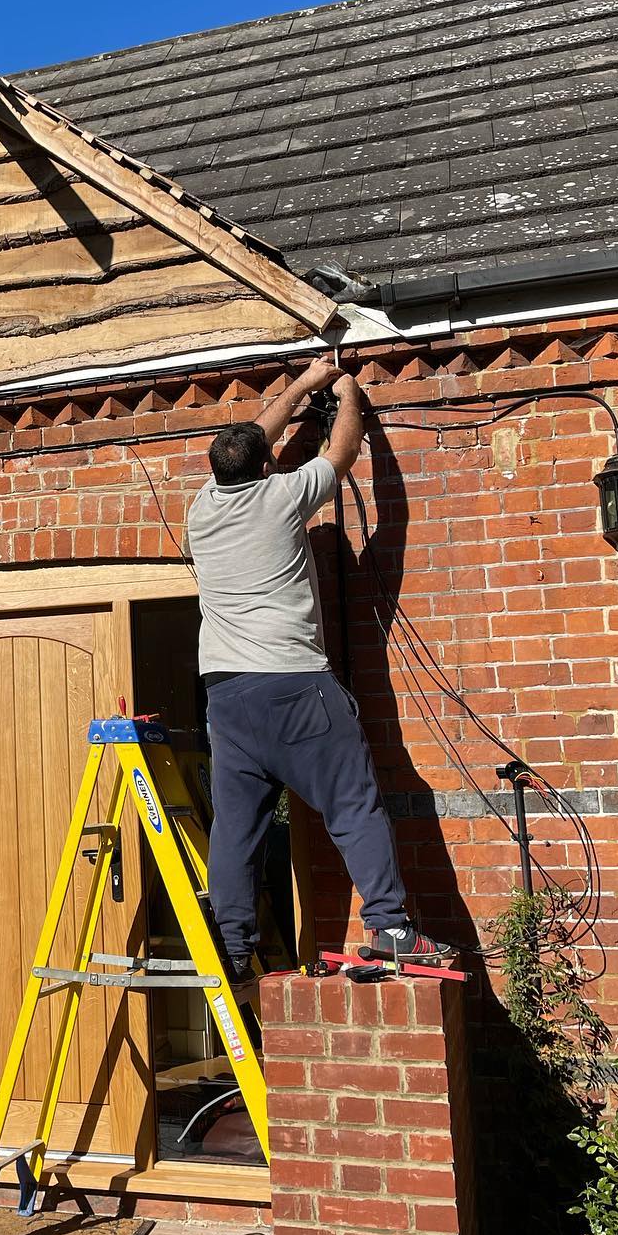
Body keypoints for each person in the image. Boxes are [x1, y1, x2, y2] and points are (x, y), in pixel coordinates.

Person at [183, 357, 455, 978]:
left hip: (225, 698)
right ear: (264, 467)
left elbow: (256, 434)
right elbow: (343, 451)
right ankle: (389, 927)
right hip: (293, 687)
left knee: (236, 828)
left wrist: (303, 383)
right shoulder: (282, 497)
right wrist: (347, 388)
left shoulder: (201, 509)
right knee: (354, 805)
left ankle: (231, 943)